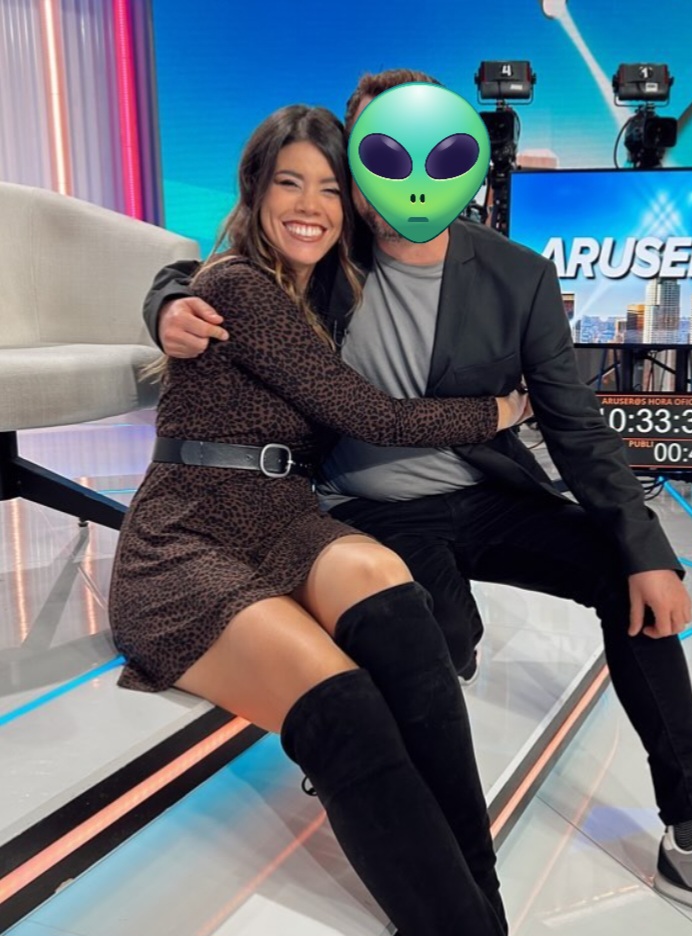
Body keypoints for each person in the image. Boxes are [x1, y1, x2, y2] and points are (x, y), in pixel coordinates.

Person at [143, 72, 692, 936]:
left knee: (628, 579)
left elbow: (575, 425)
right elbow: (214, 266)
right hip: (364, 515)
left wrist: (645, 546)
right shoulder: (326, 251)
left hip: (481, 494)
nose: (402, 176)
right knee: (431, 649)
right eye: (380, 155)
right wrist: (166, 302)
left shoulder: (515, 275)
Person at [110, 103, 532, 936]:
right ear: (255, 191)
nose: (310, 205)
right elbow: (371, 415)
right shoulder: (236, 285)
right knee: (346, 708)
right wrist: (500, 410)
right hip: (188, 535)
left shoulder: (330, 294)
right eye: (289, 183)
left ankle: (477, 903)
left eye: (331, 189)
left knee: (398, 607)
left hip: (285, 518)